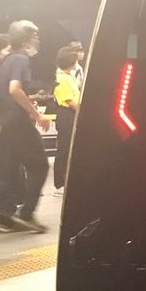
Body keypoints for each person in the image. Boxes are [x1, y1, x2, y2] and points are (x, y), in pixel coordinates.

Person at [0, 19, 50, 233]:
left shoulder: (7, 59)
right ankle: (26, 213)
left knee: (9, 170)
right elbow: (14, 89)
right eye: (35, 35)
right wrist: (36, 115)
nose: (38, 39)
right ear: (27, 38)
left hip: (4, 124)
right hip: (18, 123)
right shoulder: (20, 59)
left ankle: (8, 218)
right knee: (40, 166)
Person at [52, 43, 82, 191]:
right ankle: (60, 183)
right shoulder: (61, 78)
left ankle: (67, 180)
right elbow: (70, 101)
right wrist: (83, 112)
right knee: (64, 149)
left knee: (71, 148)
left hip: (72, 115)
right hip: (66, 115)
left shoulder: (69, 76)